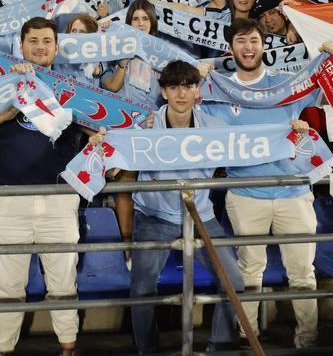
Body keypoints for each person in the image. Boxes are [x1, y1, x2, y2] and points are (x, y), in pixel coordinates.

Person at [201, 18, 322, 349]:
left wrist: (332, 56)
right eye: (241, 41)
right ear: (230, 48)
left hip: (294, 190)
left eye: (254, 40)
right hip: (245, 194)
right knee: (249, 271)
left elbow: (325, 90)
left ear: (264, 45)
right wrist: (196, 79)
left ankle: (309, 339)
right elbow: (188, 117)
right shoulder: (217, 90)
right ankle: (247, 337)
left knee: (302, 271)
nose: (248, 47)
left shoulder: (286, 84)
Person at [0, 17, 90, 356]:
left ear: (56, 47)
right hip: (9, 198)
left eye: (46, 41)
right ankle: (4, 350)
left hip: (59, 199)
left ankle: (68, 348)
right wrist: (19, 98)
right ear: (21, 45)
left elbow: (97, 125)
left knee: (63, 282)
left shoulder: (72, 87)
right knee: (8, 286)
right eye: (33, 41)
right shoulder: (5, 82)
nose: (40, 47)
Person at [129, 60, 247, 353]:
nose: (181, 94)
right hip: (154, 216)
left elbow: (256, 141)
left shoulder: (215, 128)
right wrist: (101, 140)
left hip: (201, 214)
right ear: (163, 92)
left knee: (234, 280)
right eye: (174, 87)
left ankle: (220, 346)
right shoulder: (143, 125)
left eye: (188, 86)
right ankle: (147, 351)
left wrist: (291, 131)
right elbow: (111, 153)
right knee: (141, 289)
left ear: (198, 90)